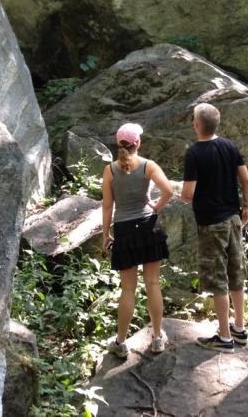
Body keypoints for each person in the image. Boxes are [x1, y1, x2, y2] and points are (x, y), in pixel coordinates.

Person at [180, 103, 248, 352]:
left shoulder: (194, 153)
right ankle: (239, 329)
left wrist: (183, 191)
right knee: (236, 272)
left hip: (211, 223)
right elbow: (247, 180)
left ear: (197, 125)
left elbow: (188, 194)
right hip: (233, 219)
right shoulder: (230, 147)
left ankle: (224, 337)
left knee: (218, 279)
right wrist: (246, 206)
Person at [102, 122, 174, 358]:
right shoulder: (148, 166)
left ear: (118, 144)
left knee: (128, 289)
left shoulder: (110, 170)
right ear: (138, 143)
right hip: (148, 227)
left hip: (124, 230)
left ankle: (121, 342)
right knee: (153, 284)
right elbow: (169, 191)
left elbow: (107, 206)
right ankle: (156, 338)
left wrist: (105, 234)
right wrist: (155, 206)